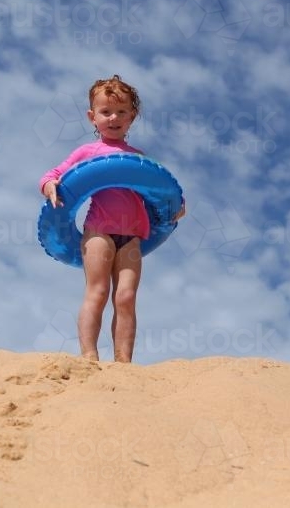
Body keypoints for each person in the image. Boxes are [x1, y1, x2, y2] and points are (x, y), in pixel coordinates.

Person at [39, 75, 186, 362]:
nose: (113, 117)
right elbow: (53, 174)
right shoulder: (87, 152)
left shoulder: (140, 159)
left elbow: (160, 195)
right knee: (99, 291)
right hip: (98, 232)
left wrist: (176, 208)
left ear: (132, 116)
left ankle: (123, 363)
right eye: (106, 112)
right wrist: (49, 185)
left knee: (126, 297)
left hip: (132, 236)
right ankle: (89, 357)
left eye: (121, 111)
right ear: (92, 117)